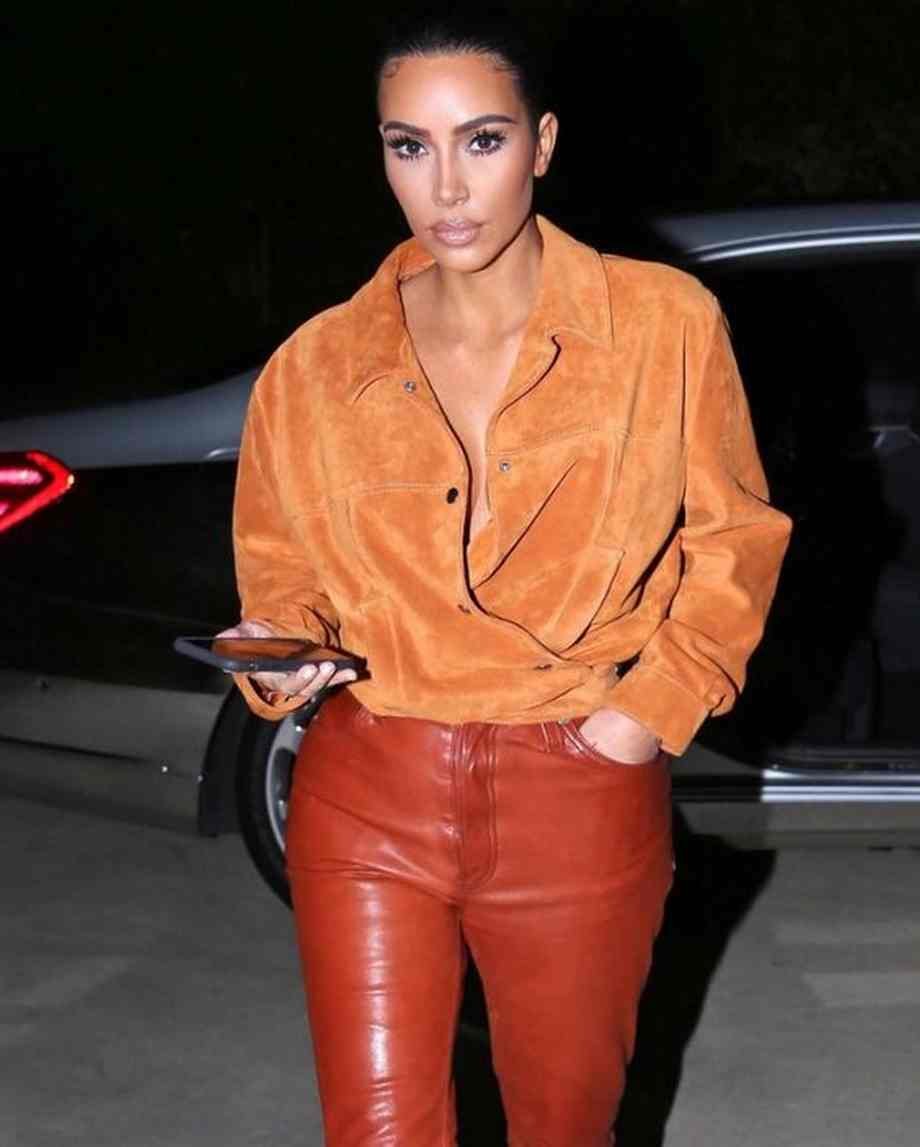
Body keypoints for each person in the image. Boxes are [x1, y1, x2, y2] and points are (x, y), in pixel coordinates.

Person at [222, 12, 792, 1146]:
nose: (445, 187)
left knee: (563, 1125)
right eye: (409, 146)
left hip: (575, 787)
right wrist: (279, 653)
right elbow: (280, 572)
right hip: (368, 787)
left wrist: (642, 714)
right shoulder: (315, 366)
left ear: (542, 142)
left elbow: (735, 537)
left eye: (481, 140)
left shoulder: (661, 326)